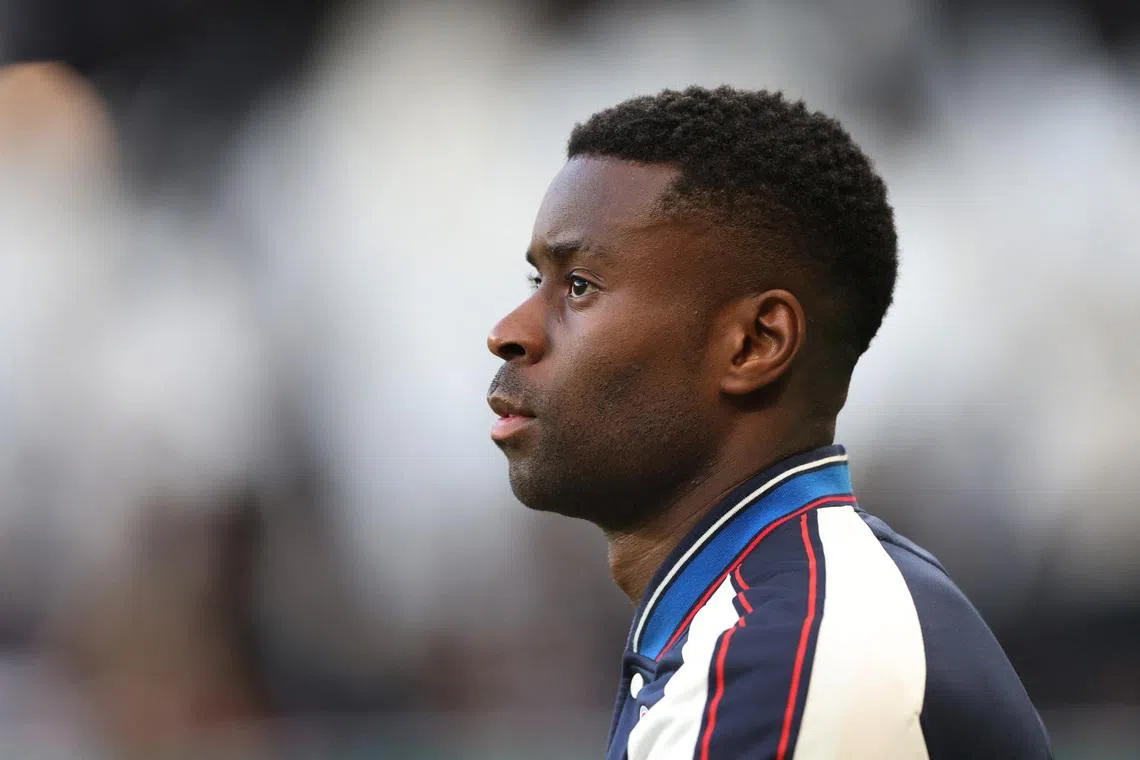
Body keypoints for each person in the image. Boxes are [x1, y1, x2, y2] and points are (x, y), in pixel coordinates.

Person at [486, 86, 1053, 760]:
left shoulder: (784, 660)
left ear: (756, 344)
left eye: (579, 285)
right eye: (536, 284)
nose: (508, 333)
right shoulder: (805, 603)